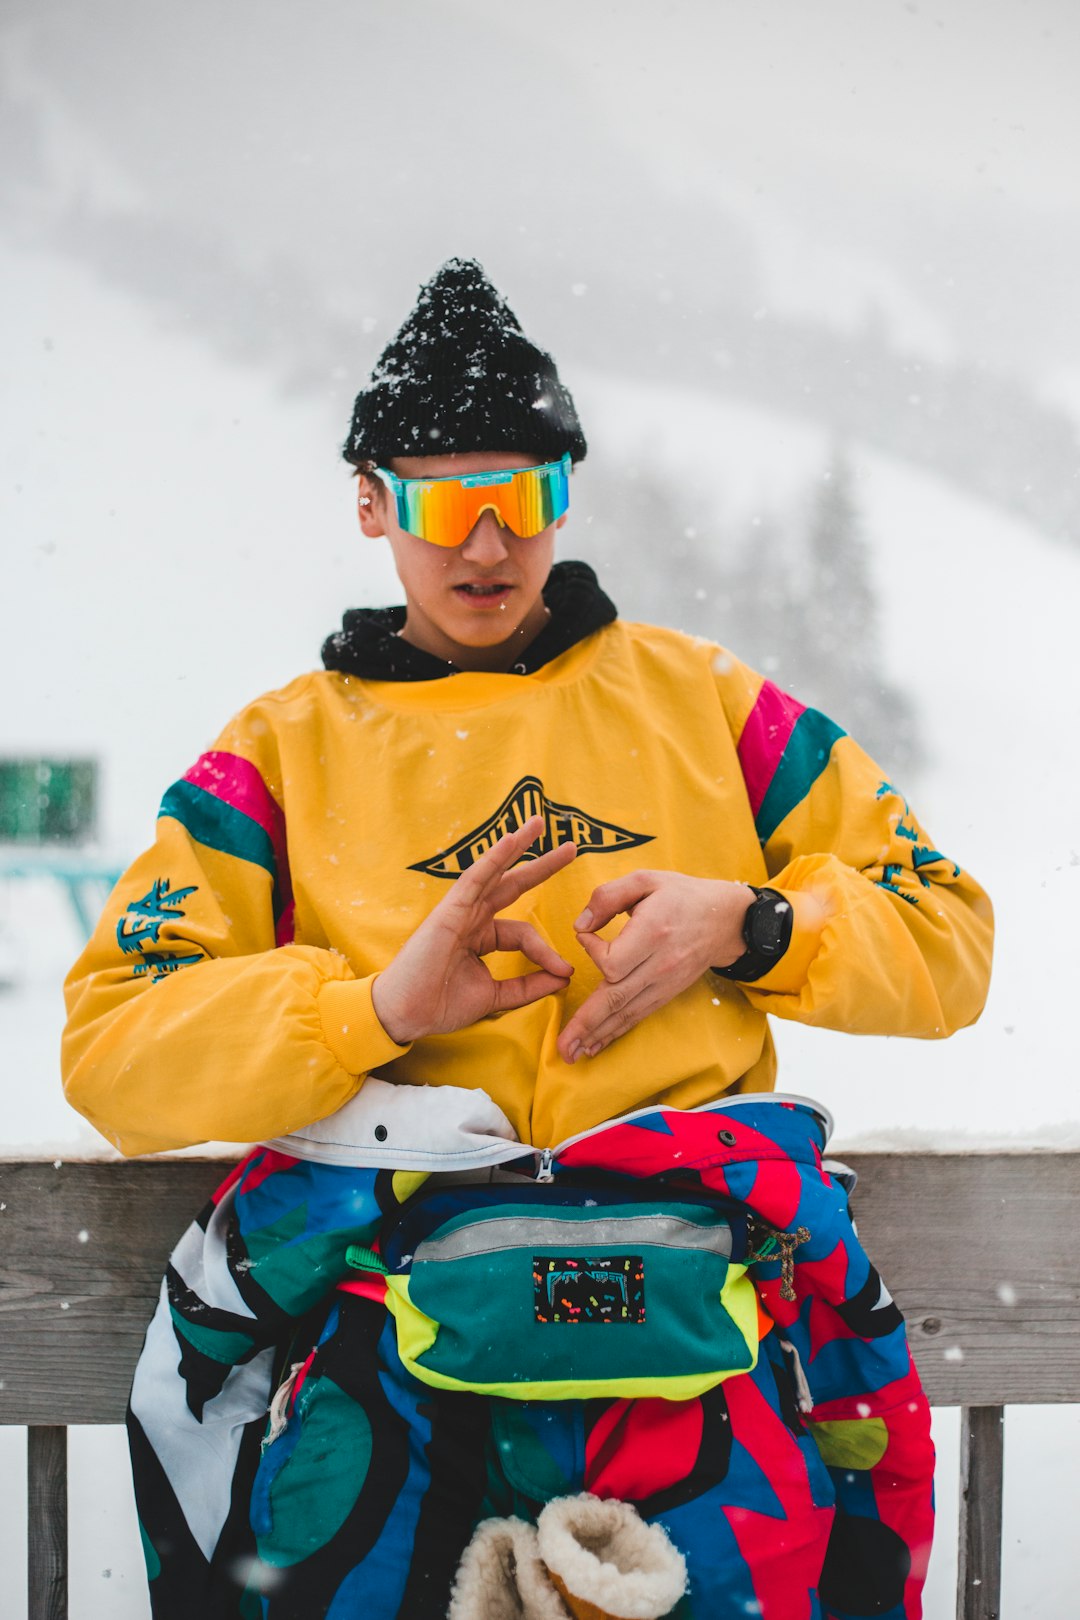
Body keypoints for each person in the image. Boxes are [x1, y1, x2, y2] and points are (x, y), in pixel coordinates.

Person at [62, 258, 993, 1619]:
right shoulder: (277, 756)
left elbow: (950, 938)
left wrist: (752, 924)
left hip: (703, 1351)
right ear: (372, 505)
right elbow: (112, 1049)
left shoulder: (713, 712)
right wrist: (373, 1010)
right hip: (397, 1370)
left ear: (567, 494)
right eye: (447, 502)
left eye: (526, 496)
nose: (489, 543)